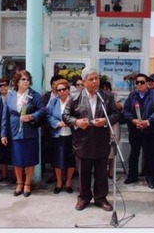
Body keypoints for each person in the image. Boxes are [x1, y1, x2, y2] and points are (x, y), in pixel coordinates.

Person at [62, 67, 119, 211]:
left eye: (96, 79)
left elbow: (116, 114)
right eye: (91, 79)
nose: (95, 82)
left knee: (101, 173)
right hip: (83, 142)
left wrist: (105, 121)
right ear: (84, 81)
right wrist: (77, 122)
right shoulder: (74, 97)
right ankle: (83, 198)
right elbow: (66, 116)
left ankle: (101, 198)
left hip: (101, 141)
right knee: (83, 173)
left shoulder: (106, 96)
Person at [1, 70, 45, 197]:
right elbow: (5, 116)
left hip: (30, 131)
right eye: (23, 79)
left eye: (27, 80)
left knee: (30, 158)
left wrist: (31, 116)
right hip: (14, 131)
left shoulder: (34, 95)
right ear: (17, 82)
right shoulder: (10, 95)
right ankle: (19, 183)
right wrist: (3, 134)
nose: (26, 82)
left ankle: (27, 183)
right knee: (17, 159)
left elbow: (43, 110)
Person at [123, 73, 154, 189]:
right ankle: (132, 176)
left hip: (149, 130)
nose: (139, 84)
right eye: (137, 82)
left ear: (147, 83)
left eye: (142, 82)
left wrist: (148, 121)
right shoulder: (132, 95)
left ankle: (150, 178)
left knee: (149, 154)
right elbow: (126, 111)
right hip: (135, 129)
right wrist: (133, 120)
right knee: (134, 154)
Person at [47, 79, 75, 194]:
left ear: (68, 90)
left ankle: (68, 182)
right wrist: (57, 123)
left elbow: (79, 114)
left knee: (70, 160)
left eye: (64, 89)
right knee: (57, 160)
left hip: (72, 134)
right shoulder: (53, 102)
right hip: (58, 134)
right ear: (56, 92)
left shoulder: (74, 101)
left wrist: (70, 122)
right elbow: (48, 115)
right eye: (59, 90)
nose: (62, 92)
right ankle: (59, 182)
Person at [41, 74, 65, 181]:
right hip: (48, 130)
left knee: (63, 154)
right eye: (54, 84)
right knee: (51, 153)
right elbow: (44, 113)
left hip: (64, 130)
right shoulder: (46, 97)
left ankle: (62, 177)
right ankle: (53, 175)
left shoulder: (67, 98)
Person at [99, 80, 123, 179]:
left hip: (113, 125)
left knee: (113, 148)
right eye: (103, 89)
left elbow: (120, 106)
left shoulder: (113, 97)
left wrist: (115, 103)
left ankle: (111, 171)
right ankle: (102, 170)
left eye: (107, 89)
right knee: (101, 149)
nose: (105, 91)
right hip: (101, 125)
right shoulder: (98, 97)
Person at [0, 78, 12, 183]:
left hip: (12, 128)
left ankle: (15, 175)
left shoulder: (12, 97)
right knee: (1, 153)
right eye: (0, 85)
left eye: (4, 85)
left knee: (13, 152)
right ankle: (3, 174)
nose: (2, 87)